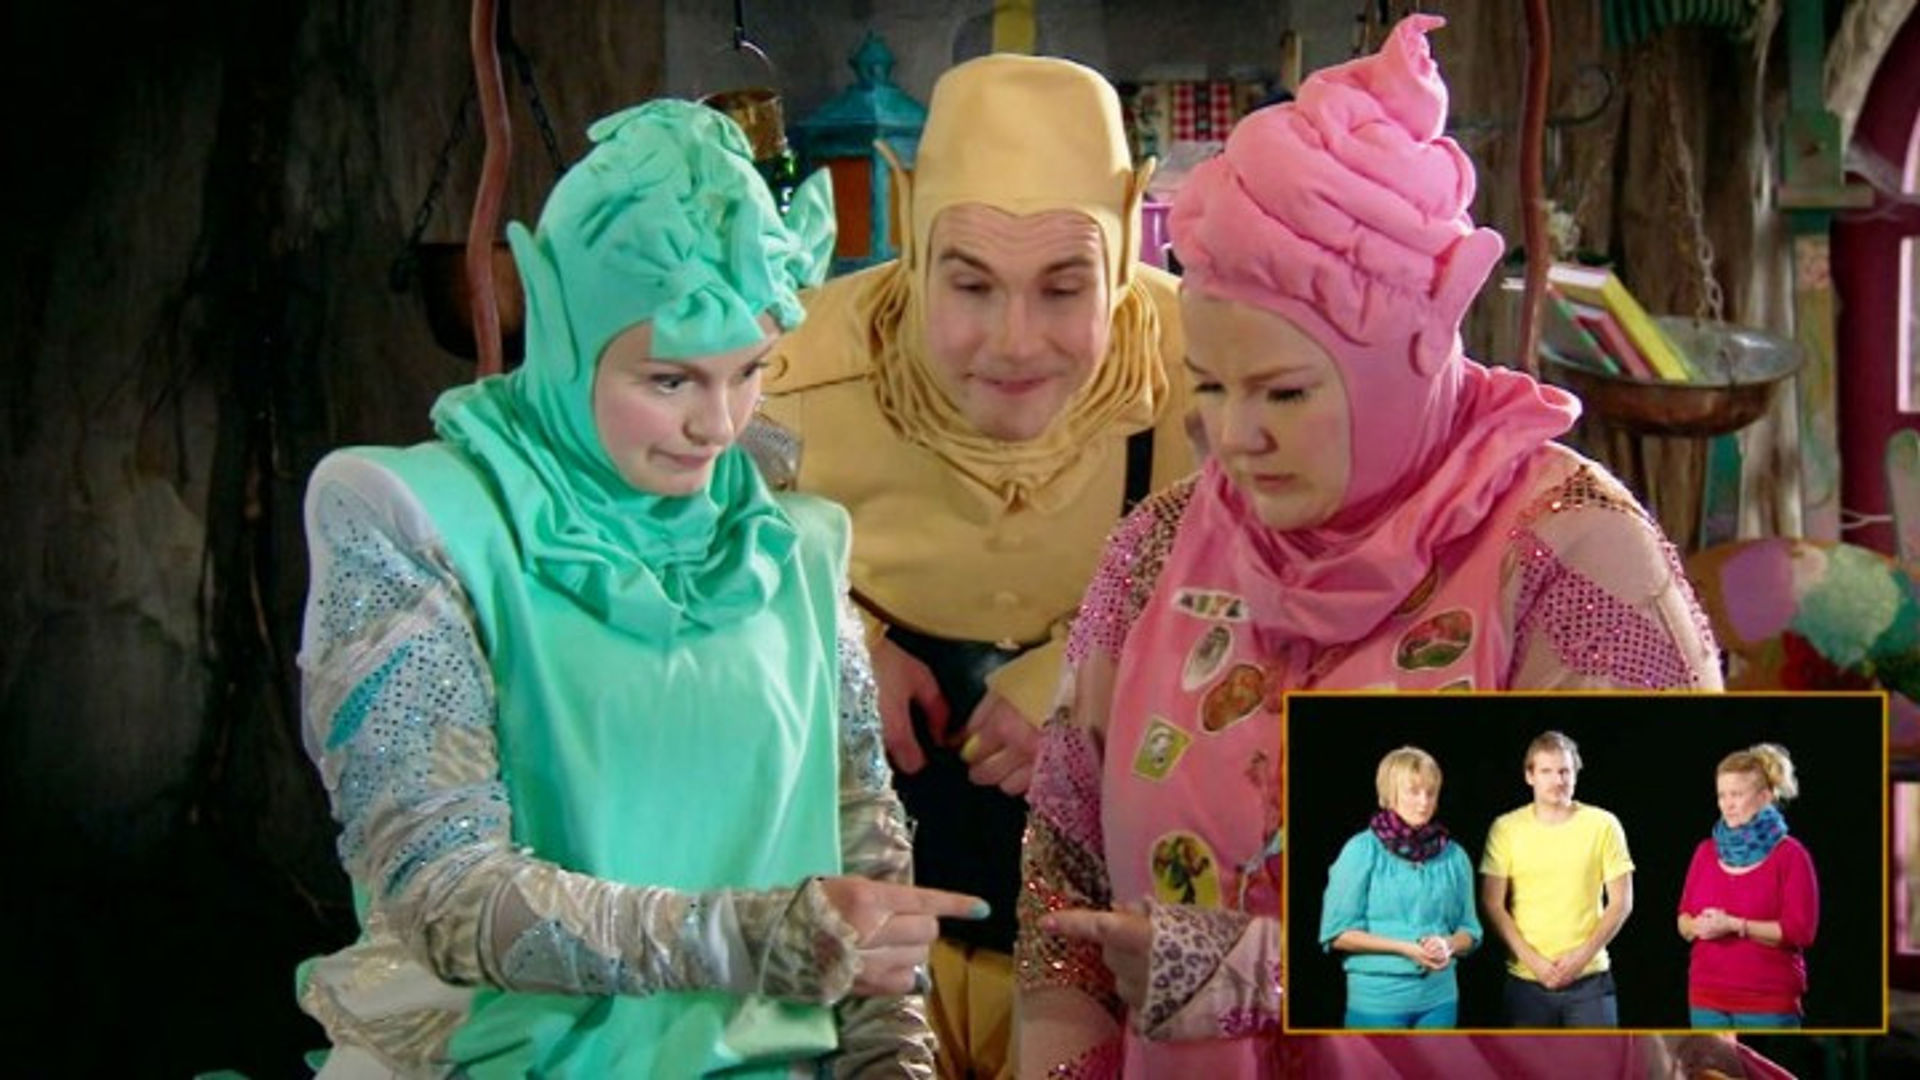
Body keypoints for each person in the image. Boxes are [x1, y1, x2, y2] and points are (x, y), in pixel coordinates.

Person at [1012, 14, 1798, 1078]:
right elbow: (1062, 896)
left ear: (1411, 355)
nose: (1234, 437)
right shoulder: (1159, 551)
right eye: (1211, 385)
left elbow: (1649, 952)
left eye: (1285, 392)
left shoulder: (1569, 560)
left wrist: (1267, 979)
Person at [292, 100, 986, 1079]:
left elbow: (865, 875)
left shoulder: (792, 547)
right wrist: (742, 939)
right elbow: (439, 891)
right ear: (566, 335)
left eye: (749, 371)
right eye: (669, 381)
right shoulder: (417, 520)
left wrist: (892, 1068)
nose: (719, 424)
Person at [757, 53, 1192, 1078]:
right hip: (861, 950)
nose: (1014, 342)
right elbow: (672, 559)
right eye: (970, 284)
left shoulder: (1218, 369)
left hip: (1119, 956)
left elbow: (1291, 591)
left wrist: (1098, 678)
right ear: (911, 231)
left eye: (1064, 287)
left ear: (1128, 234)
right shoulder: (778, 376)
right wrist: (836, 638)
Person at [1481, 731, 1634, 1028]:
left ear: (1575, 774)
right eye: (1547, 771)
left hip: (1590, 980)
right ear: (1530, 776)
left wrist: (1580, 958)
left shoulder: (1603, 824)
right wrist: (1534, 962)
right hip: (1526, 982)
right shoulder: (1505, 829)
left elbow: (1621, 902)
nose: (1557, 780)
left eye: (1565, 771)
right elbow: (1492, 903)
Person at [1320, 746, 1480, 1029]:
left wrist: (1448, 944)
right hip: (1377, 1002)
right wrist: (1406, 949)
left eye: (1431, 793)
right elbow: (1337, 934)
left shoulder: (1454, 856)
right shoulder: (1361, 850)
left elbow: (1470, 930)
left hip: (1440, 1000)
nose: (1424, 802)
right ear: (1390, 793)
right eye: (1413, 792)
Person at [1678, 743, 1820, 1029]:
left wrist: (1734, 925)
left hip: (1767, 1002)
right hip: (1705, 998)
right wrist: (1696, 926)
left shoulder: (1791, 855)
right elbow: (1683, 919)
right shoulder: (1705, 852)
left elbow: (1800, 932)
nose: (1727, 804)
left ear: (1765, 797)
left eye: (1737, 795)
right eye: (1722, 795)